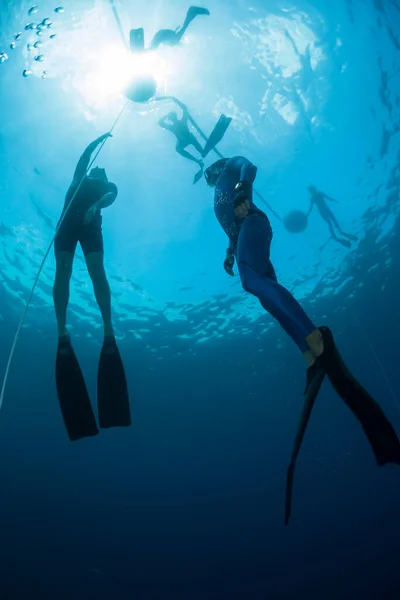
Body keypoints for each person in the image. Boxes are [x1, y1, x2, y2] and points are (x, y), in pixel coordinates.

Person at [204, 157, 400, 524]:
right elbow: (233, 225)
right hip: (247, 232)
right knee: (264, 292)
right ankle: (310, 354)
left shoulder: (229, 168)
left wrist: (242, 189)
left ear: (216, 168)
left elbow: (249, 164)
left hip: (256, 224)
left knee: (251, 281)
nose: (210, 177)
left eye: (210, 172)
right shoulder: (218, 193)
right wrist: (230, 250)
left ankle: (315, 338)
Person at [53, 133, 131, 442]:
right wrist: (98, 140)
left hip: (90, 227)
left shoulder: (106, 188)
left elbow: (112, 196)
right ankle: (62, 331)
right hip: (66, 228)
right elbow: (84, 158)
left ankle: (108, 329)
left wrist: (95, 205)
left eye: (102, 172)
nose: (99, 172)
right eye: (96, 170)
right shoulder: (78, 179)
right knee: (63, 270)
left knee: (97, 271)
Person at [130, 6, 210, 52]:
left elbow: (161, 43)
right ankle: (192, 11)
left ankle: (192, 12)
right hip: (163, 35)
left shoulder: (172, 41)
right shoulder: (173, 40)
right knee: (178, 36)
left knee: (177, 36)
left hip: (163, 35)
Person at [159, 108, 205, 183]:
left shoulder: (182, 120)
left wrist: (180, 106)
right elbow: (160, 123)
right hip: (183, 141)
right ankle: (198, 161)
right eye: (171, 118)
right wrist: (166, 115)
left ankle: (202, 153)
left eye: (172, 117)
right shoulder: (172, 127)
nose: (172, 119)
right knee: (178, 149)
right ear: (170, 119)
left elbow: (185, 110)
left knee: (201, 151)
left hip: (190, 138)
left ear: (175, 116)